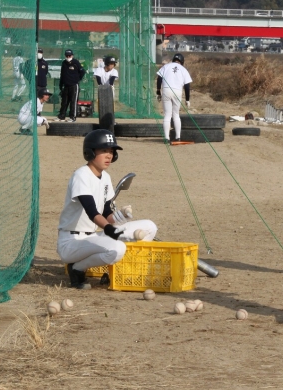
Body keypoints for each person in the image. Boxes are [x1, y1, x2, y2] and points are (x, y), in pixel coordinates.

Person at [57, 129, 158, 290]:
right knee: (117, 248)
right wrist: (110, 230)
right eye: (104, 150)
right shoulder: (81, 175)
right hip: (72, 242)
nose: (109, 156)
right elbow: (92, 212)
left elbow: (106, 214)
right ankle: (77, 268)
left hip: (93, 237)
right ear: (90, 152)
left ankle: (125, 270)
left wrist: (121, 216)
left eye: (111, 151)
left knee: (149, 226)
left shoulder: (105, 177)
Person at [156, 53, 192, 144]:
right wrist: (187, 99)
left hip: (166, 90)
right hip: (177, 92)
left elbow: (159, 79)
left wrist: (158, 91)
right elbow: (187, 86)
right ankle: (177, 137)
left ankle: (166, 138)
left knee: (167, 115)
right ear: (182, 61)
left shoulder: (166, 66)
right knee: (176, 114)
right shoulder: (183, 69)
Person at [56, 49, 86, 122]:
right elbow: (62, 74)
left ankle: (72, 117)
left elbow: (82, 71)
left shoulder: (75, 62)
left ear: (72, 55)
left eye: (69, 55)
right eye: (67, 55)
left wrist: (77, 79)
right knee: (64, 101)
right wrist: (61, 85)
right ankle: (61, 116)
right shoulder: (64, 63)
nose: (68, 57)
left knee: (73, 102)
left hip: (74, 85)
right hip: (66, 85)